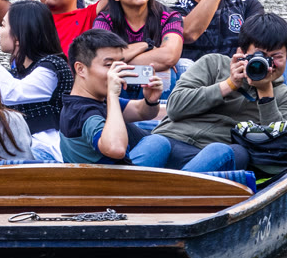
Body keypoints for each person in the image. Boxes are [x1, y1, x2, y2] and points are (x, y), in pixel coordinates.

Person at [153, 11, 287, 173]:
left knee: (220, 150)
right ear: (241, 53)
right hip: (171, 137)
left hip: (216, 151)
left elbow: (280, 148)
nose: (268, 64)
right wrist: (229, 84)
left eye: (276, 57)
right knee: (155, 143)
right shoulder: (212, 64)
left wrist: (266, 93)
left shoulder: (285, 97)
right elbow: (174, 108)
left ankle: (177, 185)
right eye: (261, 56)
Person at [58, 28, 201, 168]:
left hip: (127, 174)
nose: (117, 72)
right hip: (116, 181)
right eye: (109, 65)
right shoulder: (83, 113)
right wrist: (113, 95)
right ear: (81, 69)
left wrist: (150, 100)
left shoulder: (94, 100)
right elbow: (116, 149)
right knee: (158, 143)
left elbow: (141, 112)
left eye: (120, 64)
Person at [0, 0, 68, 160]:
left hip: (47, 153)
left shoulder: (53, 67)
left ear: (18, 37)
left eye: (3, 25)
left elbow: (12, 93)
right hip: (18, 147)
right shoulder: (17, 71)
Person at [89, 0, 184, 79]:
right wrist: (146, 46)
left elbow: (169, 56)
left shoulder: (169, 17)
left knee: (183, 66)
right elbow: (99, 58)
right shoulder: (105, 20)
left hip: (154, 80)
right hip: (118, 82)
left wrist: (114, 62)